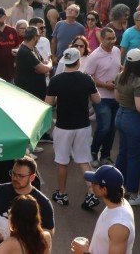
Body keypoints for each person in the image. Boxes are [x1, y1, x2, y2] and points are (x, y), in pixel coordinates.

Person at [46, 47, 101, 210]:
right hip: (83, 126)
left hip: (63, 126)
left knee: (62, 161)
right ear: (78, 62)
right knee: (84, 160)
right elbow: (97, 100)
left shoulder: (56, 80)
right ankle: (91, 193)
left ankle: (62, 194)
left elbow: (48, 103)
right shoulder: (87, 79)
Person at [113, 48, 140, 205]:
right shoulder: (138, 83)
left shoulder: (119, 77)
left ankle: (117, 186)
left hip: (121, 116)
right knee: (135, 157)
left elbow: (117, 97)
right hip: (134, 120)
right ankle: (133, 194)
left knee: (122, 153)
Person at [0, 157, 54, 244]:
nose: (15, 178)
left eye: (20, 176)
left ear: (32, 177)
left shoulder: (42, 202)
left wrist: (29, 237)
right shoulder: (0, 190)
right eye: (13, 173)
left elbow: (49, 231)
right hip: (2, 245)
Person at [71, 165, 135, 254]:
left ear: (104, 189)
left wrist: (84, 252)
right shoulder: (118, 203)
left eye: (94, 183)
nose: (91, 184)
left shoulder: (119, 226)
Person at [82, 28, 122, 167]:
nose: (112, 41)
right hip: (101, 97)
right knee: (104, 126)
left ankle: (105, 155)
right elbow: (88, 77)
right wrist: (105, 85)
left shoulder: (117, 51)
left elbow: (117, 67)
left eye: (113, 38)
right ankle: (93, 152)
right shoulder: (95, 56)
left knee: (112, 128)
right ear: (102, 39)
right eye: (109, 38)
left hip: (115, 96)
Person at [14, 27, 52, 101]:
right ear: (35, 37)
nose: (39, 38)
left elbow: (42, 64)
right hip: (30, 93)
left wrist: (43, 67)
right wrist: (50, 64)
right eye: (39, 36)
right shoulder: (26, 52)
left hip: (36, 90)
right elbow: (43, 69)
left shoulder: (33, 48)